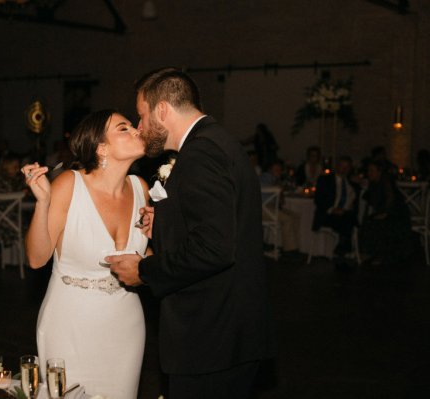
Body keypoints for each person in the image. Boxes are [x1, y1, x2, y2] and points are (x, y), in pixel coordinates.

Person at [108, 67, 273, 398]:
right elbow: (224, 224)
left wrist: (143, 270)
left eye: (141, 116)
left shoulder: (201, 153)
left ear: (163, 110)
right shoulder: (217, 141)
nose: (140, 127)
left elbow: (213, 248)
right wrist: (168, 220)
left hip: (213, 336)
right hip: (230, 333)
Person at [22, 110, 149, 398]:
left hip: (126, 324)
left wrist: (148, 265)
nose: (136, 130)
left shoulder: (140, 189)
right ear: (101, 147)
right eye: (124, 128)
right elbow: (36, 258)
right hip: (71, 324)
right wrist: (42, 203)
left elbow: (146, 253)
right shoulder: (69, 184)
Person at [360, 160, 413, 264]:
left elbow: (390, 199)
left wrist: (386, 213)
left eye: (372, 171)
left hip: (396, 213)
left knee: (380, 224)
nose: (369, 173)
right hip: (386, 211)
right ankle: (370, 253)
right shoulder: (374, 183)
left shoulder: (386, 181)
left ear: (379, 172)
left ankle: (382, 255)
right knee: (369, 221)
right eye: (368, 171)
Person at [313, 156, 359, 259]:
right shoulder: (325, 180)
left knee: (348, 217)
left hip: (346, 214)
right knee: (348, 219)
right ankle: (343, 249)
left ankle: (341, 248)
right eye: (341, 166)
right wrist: (332, 209)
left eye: (347, 167)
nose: (344, 170)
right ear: (336, 167)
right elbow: (318, 200)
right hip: (328, 215)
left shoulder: (352, 183)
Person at [260, 159, 300, 256]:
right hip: (263, 209)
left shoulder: (274, 179)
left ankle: (290, 245)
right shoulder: (264, 177)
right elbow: (265, 189)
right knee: (287, 219)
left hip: (271, 207)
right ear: (270, 170)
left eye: (280, 170)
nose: (279, 172)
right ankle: (290, 250)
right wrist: (278, 188)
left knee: (295, 216)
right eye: (276, 170)